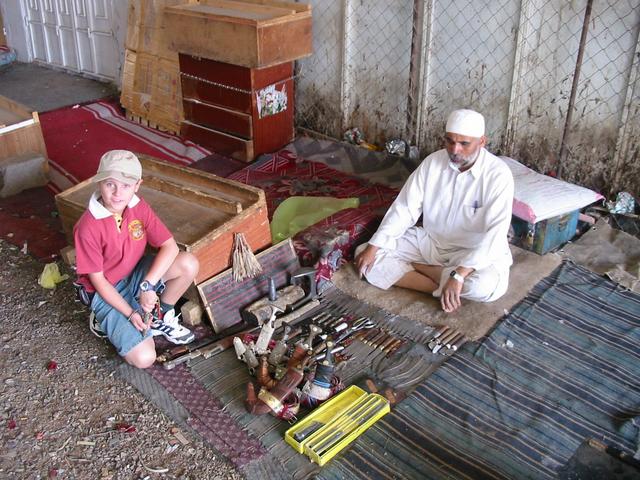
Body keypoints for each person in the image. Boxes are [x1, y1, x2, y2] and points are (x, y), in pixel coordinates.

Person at [354, 109, 514, 313]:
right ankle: (440, 285)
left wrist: (460, 275)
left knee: (485, 287)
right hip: (430, 243)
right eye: (449, 141)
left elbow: (495, 235)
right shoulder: (433, 163)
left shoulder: (498, 175)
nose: (455, 150)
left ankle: (433, 274)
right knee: (365, 255)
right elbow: (405, 209)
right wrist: (374, 247)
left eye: (464, 143)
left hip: (472, 252)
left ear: (482, 142)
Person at [73, 150, 199, 368]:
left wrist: (147, 285)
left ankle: (162, 314)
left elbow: (169, 246)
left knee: (188, 263)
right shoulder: (87, 226)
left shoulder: (137, 206)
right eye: (110, 184)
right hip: (106, 290)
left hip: (135, 273)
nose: (117, 193)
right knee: (144, 359)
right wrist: (130, 313)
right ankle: (103, 319)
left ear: (137, 185)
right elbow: (99, 281)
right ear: (99, 182)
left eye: (126, 185)